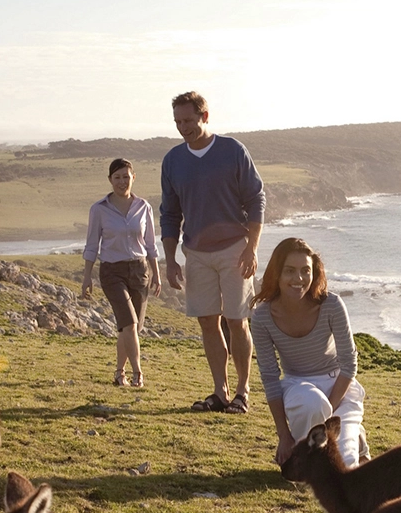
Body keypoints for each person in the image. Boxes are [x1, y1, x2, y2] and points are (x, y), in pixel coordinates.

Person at [160, 91, 266, 414]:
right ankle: (219, 392)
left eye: (188, 120)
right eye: (178, 121)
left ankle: (242, 392)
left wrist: (252, 247)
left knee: (237, 321)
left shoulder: (232, 151)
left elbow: (256, 199)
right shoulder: (173, 161)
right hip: (196, 253)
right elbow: (169, 214)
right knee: (208, 321)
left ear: (205, 117)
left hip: (235, 249)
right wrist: (170, 259)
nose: (183, 127)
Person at [251, 237, 367, 468]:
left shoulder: (331, 305)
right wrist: (284, 436)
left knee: (345, 468)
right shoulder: (262, 316)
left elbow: (349, 364)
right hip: (298, 389)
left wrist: (331, 414)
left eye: (306, 270)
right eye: (290, 271)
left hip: (340, 390)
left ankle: (355, 436)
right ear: (277, 274)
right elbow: (271, 378)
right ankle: (325, 443)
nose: (299, 279)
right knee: (312, 403)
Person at [81, 157, 162, 386]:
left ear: (133, 178)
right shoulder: (99, 209)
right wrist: (87, 277)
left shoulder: (143, 207)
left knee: (131, 327)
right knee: (129, 323)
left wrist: (156, 273)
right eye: (117, 177)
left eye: (126, 176)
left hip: (139, 270)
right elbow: (91, 245)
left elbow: (150, 244)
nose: (122, 181)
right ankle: (138, 373)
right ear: (110, 180)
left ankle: (119, 372)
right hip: (112, 272)